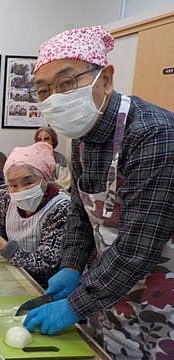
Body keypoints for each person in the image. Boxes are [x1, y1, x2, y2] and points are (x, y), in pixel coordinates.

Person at [23, 25, 174, 359]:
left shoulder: (155, 134)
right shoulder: (81, 133)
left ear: (105, 78)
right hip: (108, 290)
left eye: (66, 83)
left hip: (160, 298)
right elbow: (80, 210)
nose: (55, 98)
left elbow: (138, 246)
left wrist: (74, 305)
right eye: (44, 89)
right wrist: (72, 265)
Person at [0, 142, 71, 289]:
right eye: (13, 185)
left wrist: (0, 244)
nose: (20, 191)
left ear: (44, 179)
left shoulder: (61, 207)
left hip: (43, 287)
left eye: (28, 182)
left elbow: (46, 265)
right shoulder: (9, 199)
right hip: (12, 274)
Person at [34, 126, 72, 191]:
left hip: (54, 192)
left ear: (53, 141)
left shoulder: (59, 158)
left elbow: (65, 181)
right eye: (39, 139)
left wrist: (47, 186)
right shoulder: (32, 157)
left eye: (46, 138)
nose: (42, 141)